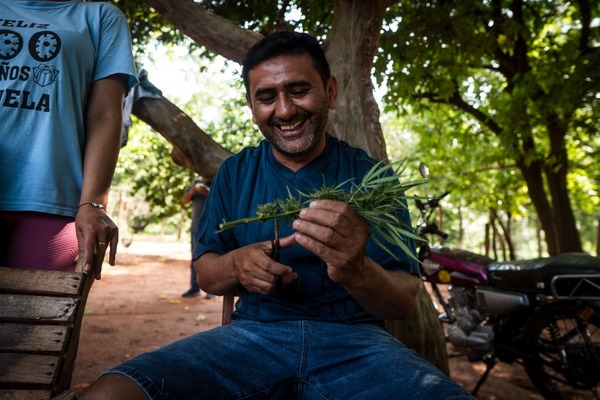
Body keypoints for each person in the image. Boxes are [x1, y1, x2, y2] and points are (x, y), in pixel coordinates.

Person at [79, 31, 473, 399]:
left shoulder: (374, 178)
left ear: (330, 92)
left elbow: (404, 301)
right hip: (251, 339)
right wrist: (237, 264)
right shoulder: (234, 173)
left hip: (358, 346)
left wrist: (356, 269)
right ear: (252, 108)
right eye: (267, 97)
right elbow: (208, 274)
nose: (284, 110)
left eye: (299, 90)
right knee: (113, 392)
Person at [0, 0, 138, 279]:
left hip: (53, 197)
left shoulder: (101, 17)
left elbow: (105, 115)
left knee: (39, 318)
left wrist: (93, 204)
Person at [181, 176, 214, 299]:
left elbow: (219, 200)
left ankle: (212, 289)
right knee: (194, 258)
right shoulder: (195, 182)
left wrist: (207, 193)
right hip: (195, 227)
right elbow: (184, 201)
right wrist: (192, 191)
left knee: (212, 257)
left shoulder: (215, 180)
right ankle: (194, 287)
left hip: (211, 227)